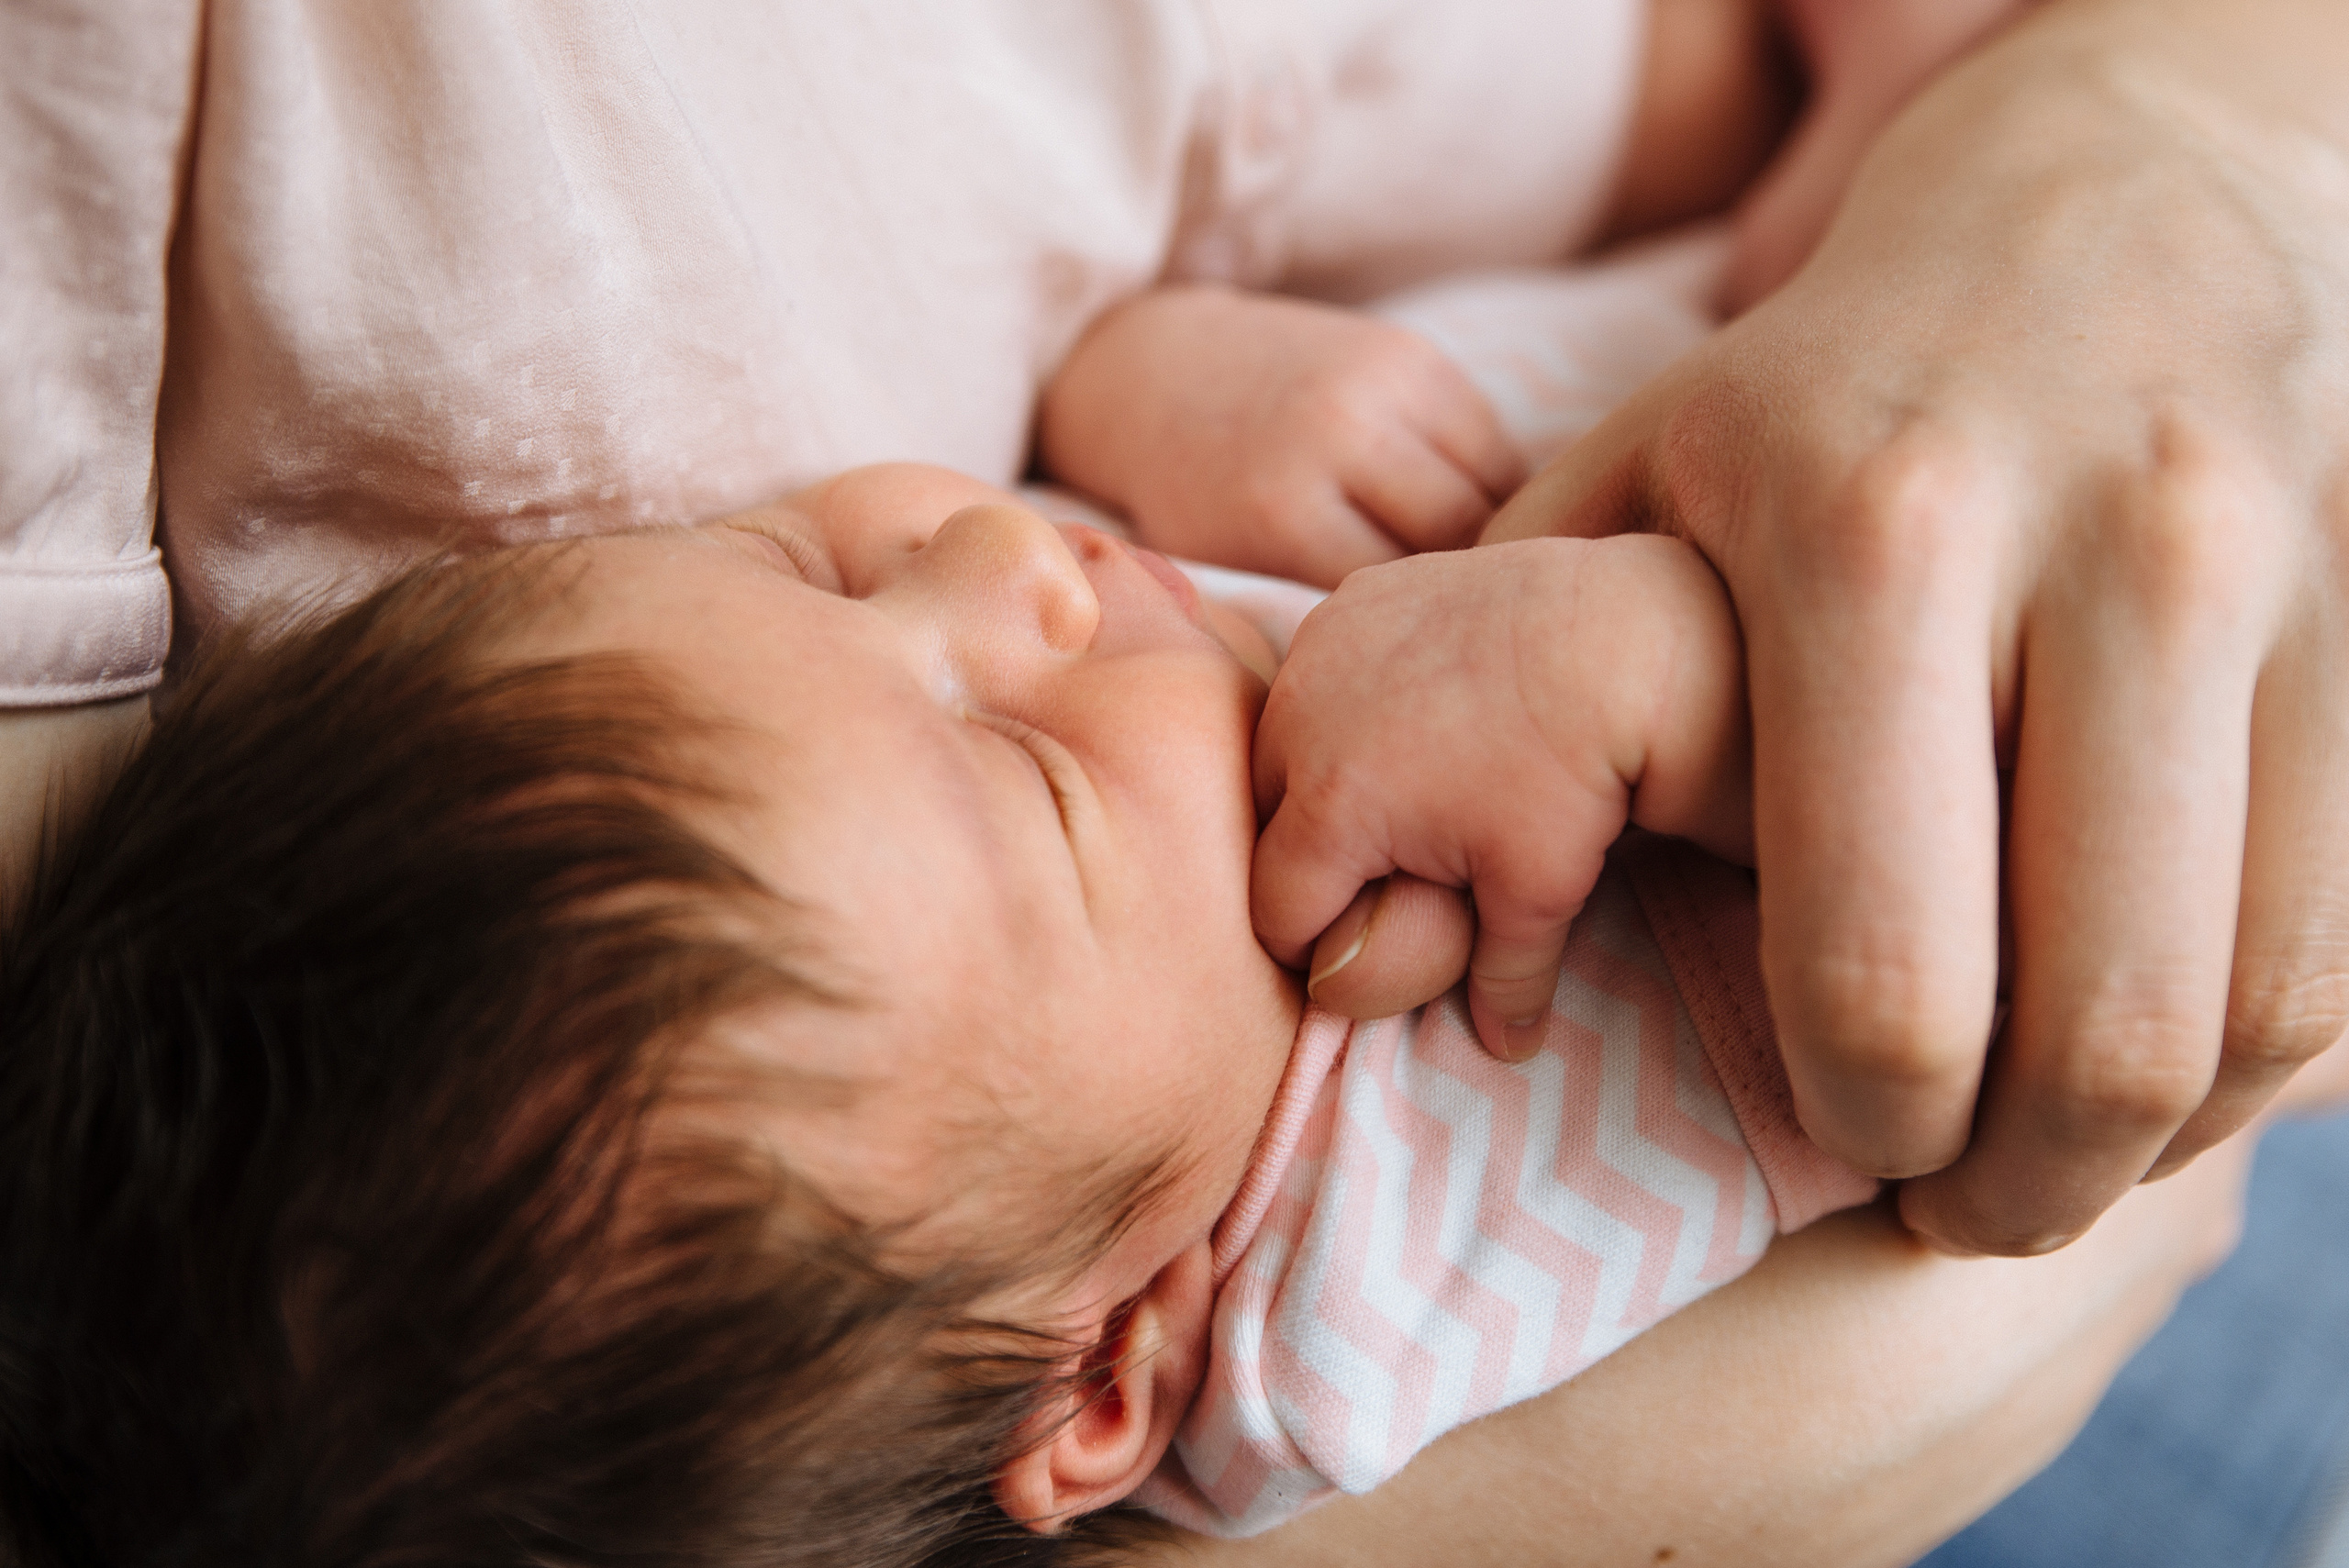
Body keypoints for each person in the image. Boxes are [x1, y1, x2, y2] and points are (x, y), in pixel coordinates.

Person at [14, 461, 2339, 1565]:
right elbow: (2010, 962)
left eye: (807, 569)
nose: (1008, 563)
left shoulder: (1101, 991)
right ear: (1115, 1374)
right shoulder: (1381, 1263)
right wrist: (1670, 695)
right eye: (1021, 775)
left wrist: (1205, 392)